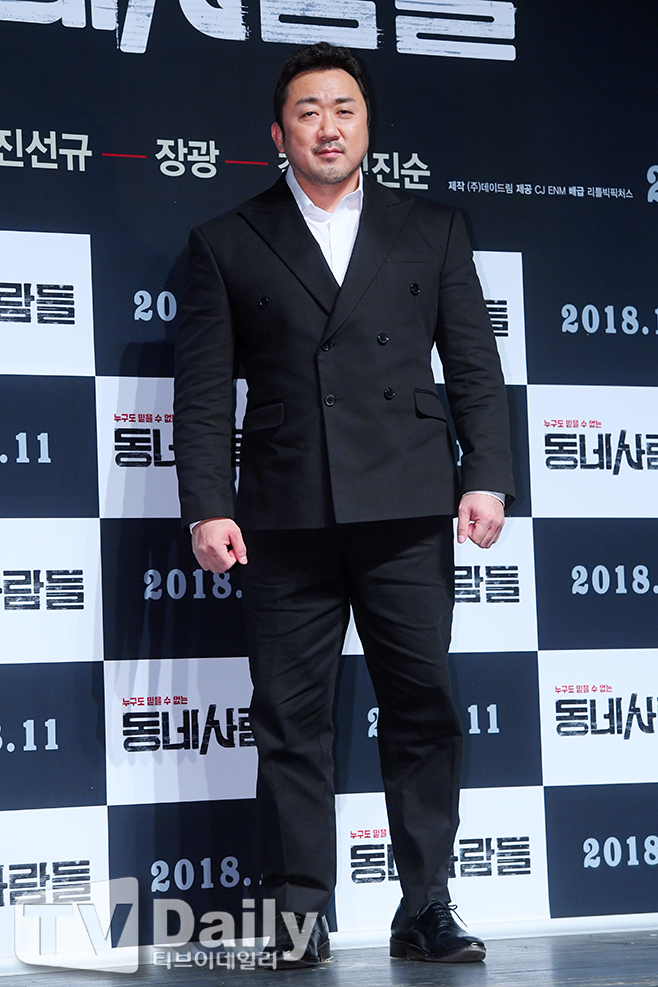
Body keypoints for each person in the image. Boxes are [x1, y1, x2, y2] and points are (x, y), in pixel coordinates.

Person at [174, 41, 514, 967]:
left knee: (423, 707)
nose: (328, 127)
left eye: (344, 109)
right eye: (309, 111)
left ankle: (427, 905)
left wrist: (485, 475)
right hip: (284, 512)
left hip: (407, 505)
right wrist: (206, 505)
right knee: (291, 721)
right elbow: (201, 394)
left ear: (367, 126)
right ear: (278, 133)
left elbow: (474, 368)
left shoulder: (432, 228)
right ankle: (298, 915)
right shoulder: (227, 240)